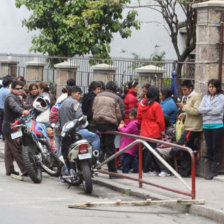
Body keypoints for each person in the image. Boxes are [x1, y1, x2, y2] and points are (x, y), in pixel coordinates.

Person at [59, 86, 100, 169]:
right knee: (96, 138)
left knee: (66, 152)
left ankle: (67, 171)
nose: (80, 96)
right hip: (77, 131)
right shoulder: (75, 103)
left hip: (65, 133)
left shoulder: (62, 103)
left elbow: (59, 118)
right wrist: (84, 118)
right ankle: (96, 160)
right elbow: (79, 117)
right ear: (72, 93)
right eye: (78, 94)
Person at [92, 81, 125, 178]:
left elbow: (93, 109)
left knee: (100, 145)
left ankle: (95, 166)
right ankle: (112, 172)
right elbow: (120, 113)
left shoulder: (98, 96)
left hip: (98, 123)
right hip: (110, 124)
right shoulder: (117, 98)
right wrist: (119, 122)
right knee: (110, 147)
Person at [176, 80, 202, 177]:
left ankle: (185, 171)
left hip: (194, 127)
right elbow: (189, 111)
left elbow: (197, 111)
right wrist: (183, 114)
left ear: (190, 89)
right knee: (185, 148)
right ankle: (184, 171)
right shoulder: (189, 97)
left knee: (183, 146)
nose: (184, 92)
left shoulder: (196, 96)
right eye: (182, 90)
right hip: (188, 126)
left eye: (185, 90)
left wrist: (184, 108)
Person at [198, 79, 224, 180]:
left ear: (217, 87)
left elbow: (218, 111)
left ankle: (213, 169)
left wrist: (206, 109)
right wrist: (211, 108)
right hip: (206, 125)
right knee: (209, 148)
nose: (211, 89)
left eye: (213, 87)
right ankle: (211, 168)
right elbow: (200, 109)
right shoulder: (206, 97)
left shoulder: (221, 97)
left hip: (217, 125)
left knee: (215, 147)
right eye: (209, 87)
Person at [3, 80, 29, 176]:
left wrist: (29, 107)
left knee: (8, 150)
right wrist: (23, 111)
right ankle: (25, 169)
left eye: (21, 88)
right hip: (11, 127)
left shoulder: (17, 97)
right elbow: (15, 107)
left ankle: (9, 169)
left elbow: (22, 106)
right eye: (18, 89)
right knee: (16, 148)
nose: (20, 90)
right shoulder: (10, 97)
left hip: (15, 126)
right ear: (13, 89)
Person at [137, 86, 165, 174]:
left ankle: (144, 167)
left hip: (144, 128)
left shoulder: (142, 104)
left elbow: (138, 117)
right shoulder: (156, 105)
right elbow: (160, 120)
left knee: (145, 149)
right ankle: (148, 168)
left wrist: (143, 124)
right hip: (154, 129)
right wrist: (162, 130)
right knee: (152, 150)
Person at [118, 108, 140, 173]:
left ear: (134, 116)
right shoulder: (135, 123)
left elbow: (126, 131)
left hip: (129, 143)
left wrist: (121, 127)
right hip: (133, 142)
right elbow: (128, 128)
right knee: (133, 157)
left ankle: (125, 170)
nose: (129, 117)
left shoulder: (133, 123)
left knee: (127, 157)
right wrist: (124, 125)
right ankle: (136, 169)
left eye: (130, 115)